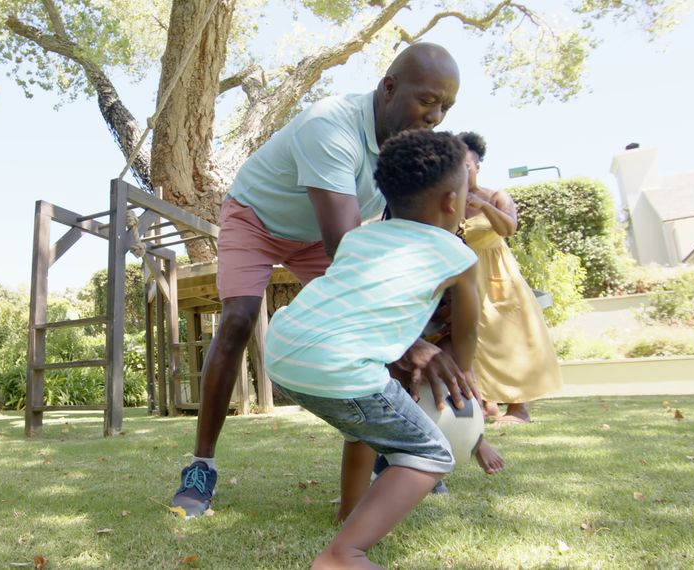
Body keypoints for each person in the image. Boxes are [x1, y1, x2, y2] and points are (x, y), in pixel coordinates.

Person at [168, 43, 470, 519]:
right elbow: (346, 247)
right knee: (240, 318)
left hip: (319, 233)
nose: (435, 116)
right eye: (427, 100)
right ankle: (201, 465)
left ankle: (394, 452)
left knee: (376, 328)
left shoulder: (406, 150)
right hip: (258, 218)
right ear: (388, 87)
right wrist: (413, 344)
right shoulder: (330, 125)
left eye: (445, 107)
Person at [265, 130, 479, 569]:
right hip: (338, 364)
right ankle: (344, 554)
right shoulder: (456, 252)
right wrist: (467, 375)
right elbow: (469, 328)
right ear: (450, 202)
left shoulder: (358, 239)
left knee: (362, 422)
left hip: (283, 351)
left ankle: (349, 511)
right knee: (431, 453)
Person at [456, 131, 562, 423]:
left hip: (498, 276)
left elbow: (508, 229)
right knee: (476, 339)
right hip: (466, 277)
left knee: (511, 336)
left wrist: (485, 206)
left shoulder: (497, 196)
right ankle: (487, 404)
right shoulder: (450, 201)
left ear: (477, 165)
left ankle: (519, 408)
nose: (462, 170)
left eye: (467, 164)